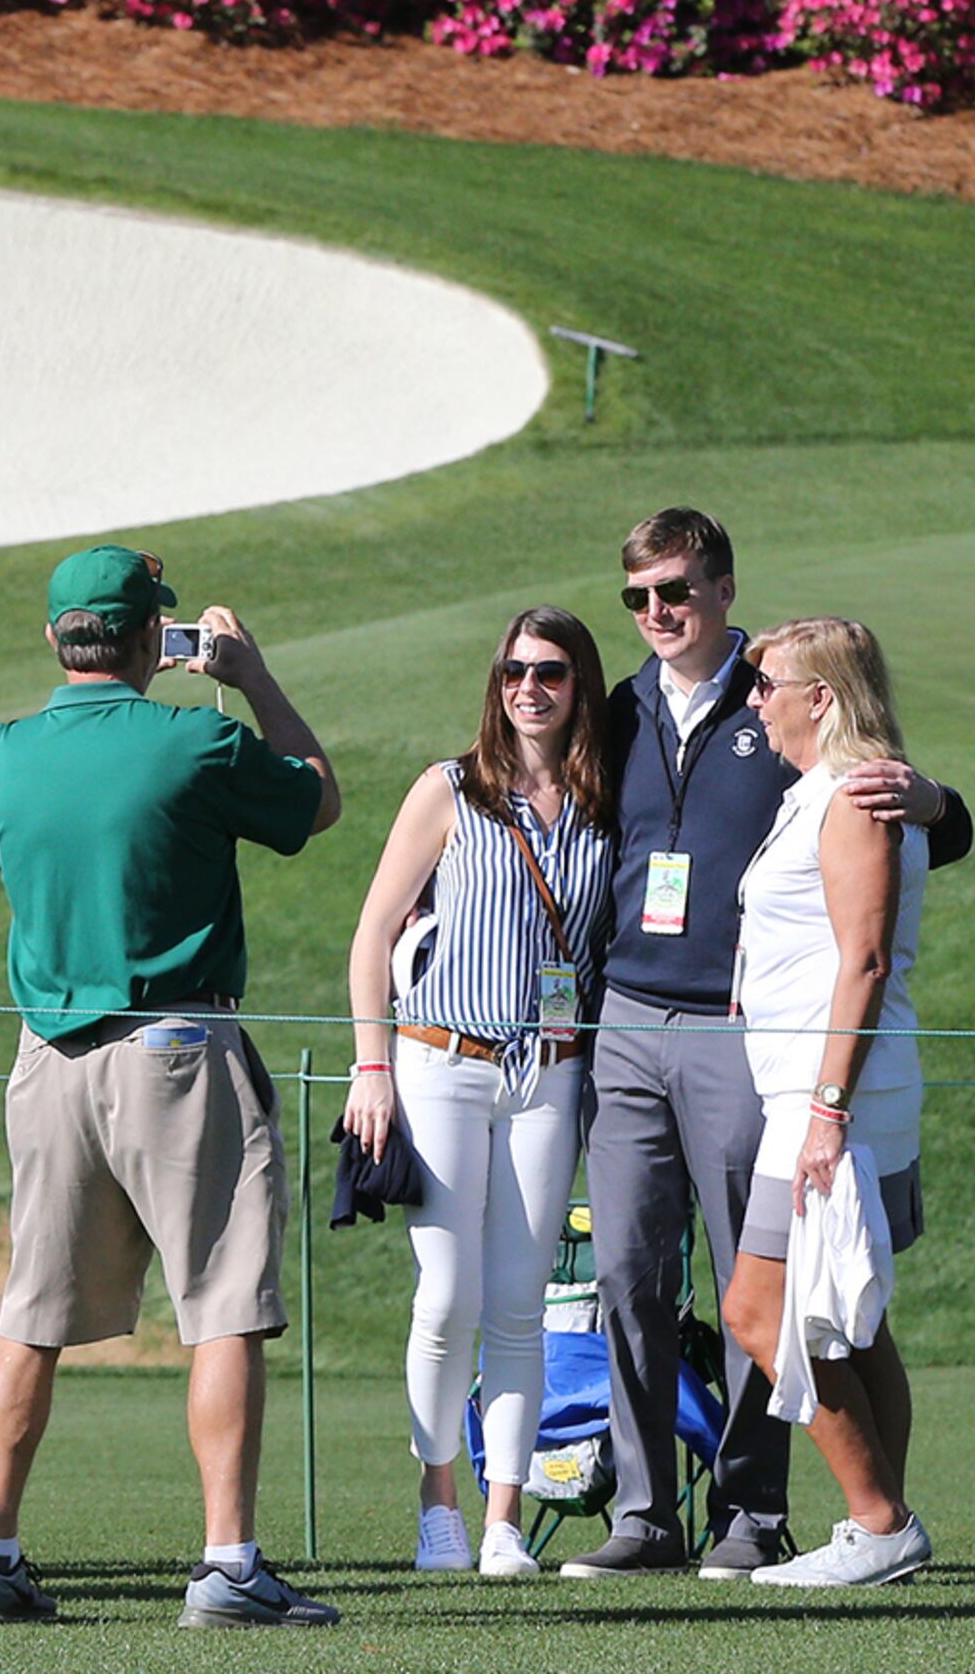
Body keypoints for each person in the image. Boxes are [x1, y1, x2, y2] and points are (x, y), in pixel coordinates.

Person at [565, 507, 974, 1584]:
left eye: (677, 591)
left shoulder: (797, 713)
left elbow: (896, 858)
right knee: (634, 1278)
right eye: (639, 597)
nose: (658, 613)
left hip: (763, 1052)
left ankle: (766, 1515)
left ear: (723, 589)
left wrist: (935, 802)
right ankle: (652, 1515)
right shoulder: (620, 710)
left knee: (774, 1294)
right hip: (634, 1023)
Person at [0, 545, 342, 1629]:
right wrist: (250, 679)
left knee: (28, 1313)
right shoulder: (198, 738)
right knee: (221, 1305)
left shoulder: (0, 756)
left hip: (48, 1059)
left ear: (53, 639)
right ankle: (226, 1566)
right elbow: (315, 804)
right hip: (176, 1047)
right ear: (145, 642)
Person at [345, 607, 612, 1581]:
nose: (527, 689)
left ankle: (503, 1519)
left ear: (579, 683)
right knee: (447, 1295)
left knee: (519, 1304)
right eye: (511, 672)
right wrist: (369, 1066)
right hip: (440, 1059)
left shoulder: (602, 799)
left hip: (551, 1070)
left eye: (548, 672)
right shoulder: (451, 790)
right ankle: (437, 1505)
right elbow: (372, 935)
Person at [715, 617, 930, 1589]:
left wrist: (829, 1113)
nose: (756, 701)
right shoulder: (821, 794)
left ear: (824, 699)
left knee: (762, 1312)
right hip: (813, 1089)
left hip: (831, 1097)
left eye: (772, 686)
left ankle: (878, 1518)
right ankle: (882, 1518)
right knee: (856, 1320)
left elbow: (867, 957)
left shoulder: (852, 796)